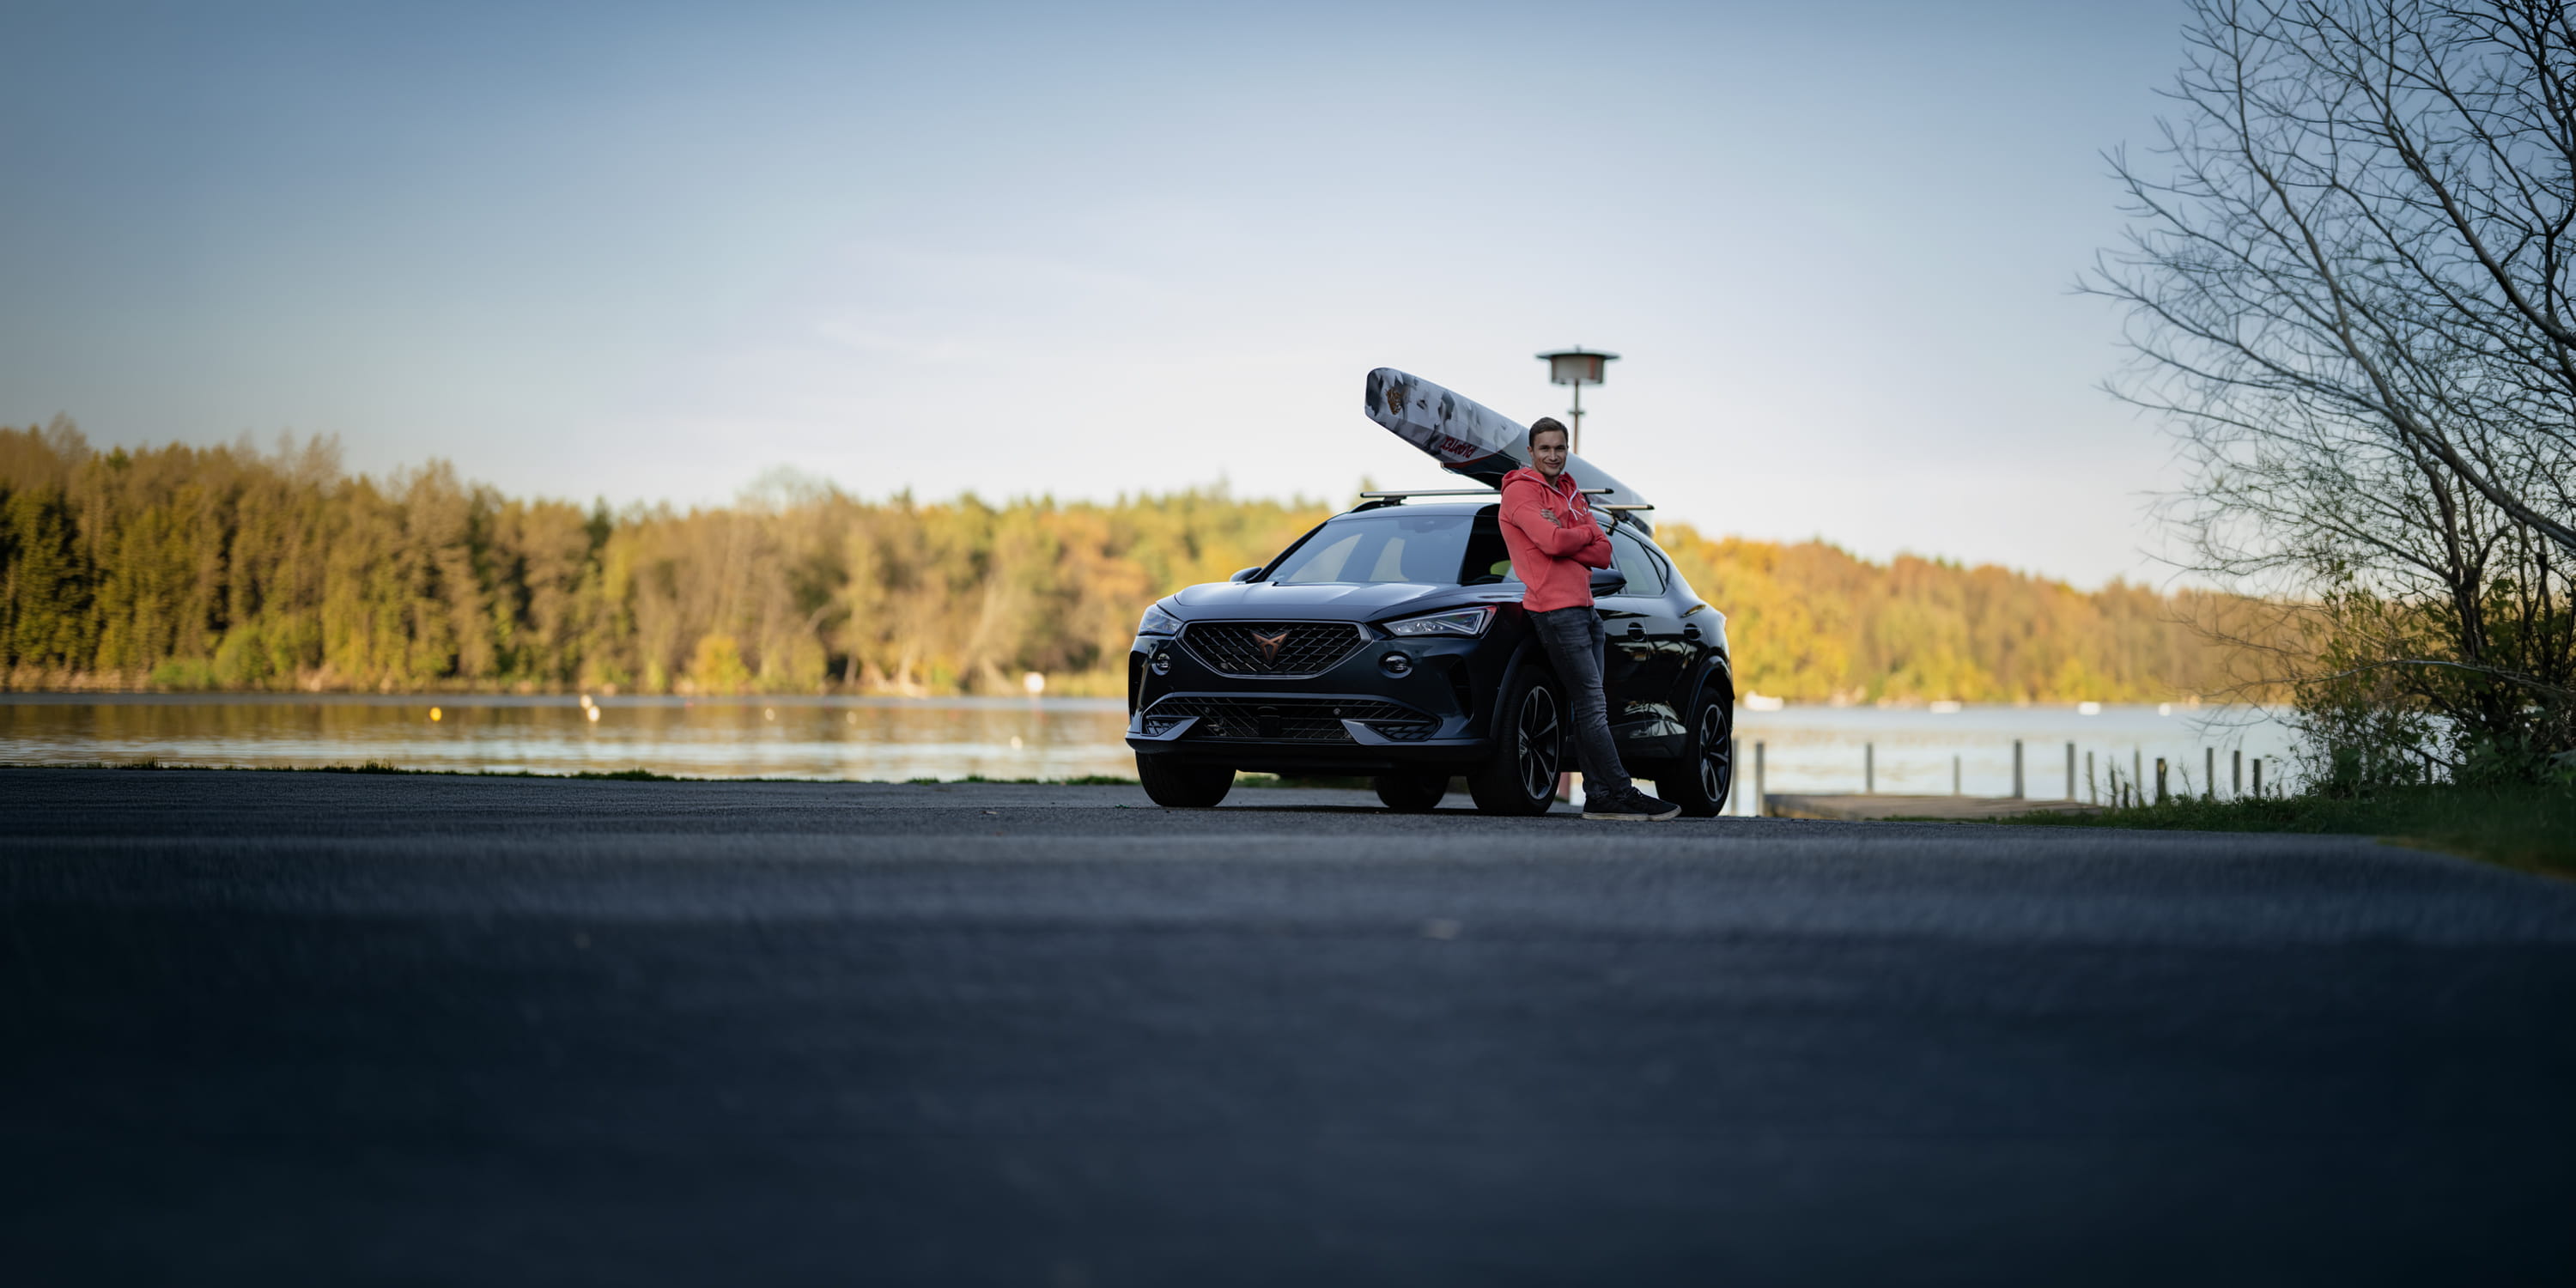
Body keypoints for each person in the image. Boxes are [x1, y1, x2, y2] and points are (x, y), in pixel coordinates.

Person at [1497, 417, 1680, 822]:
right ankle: (1621, 792)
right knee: (1593, 706)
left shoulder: (1569, 492)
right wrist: (1573, 535)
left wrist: (1569, 533)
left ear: (1567, 450)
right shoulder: (1521, 494)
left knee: (1589, 708)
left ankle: (1598, 796)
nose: (1553, 455)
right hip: (1555, 611)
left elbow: (1603, 551)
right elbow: (1551, 541)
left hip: (1586, 609)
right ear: (1530, 453)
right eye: (1544, 448)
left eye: (1559, 448)